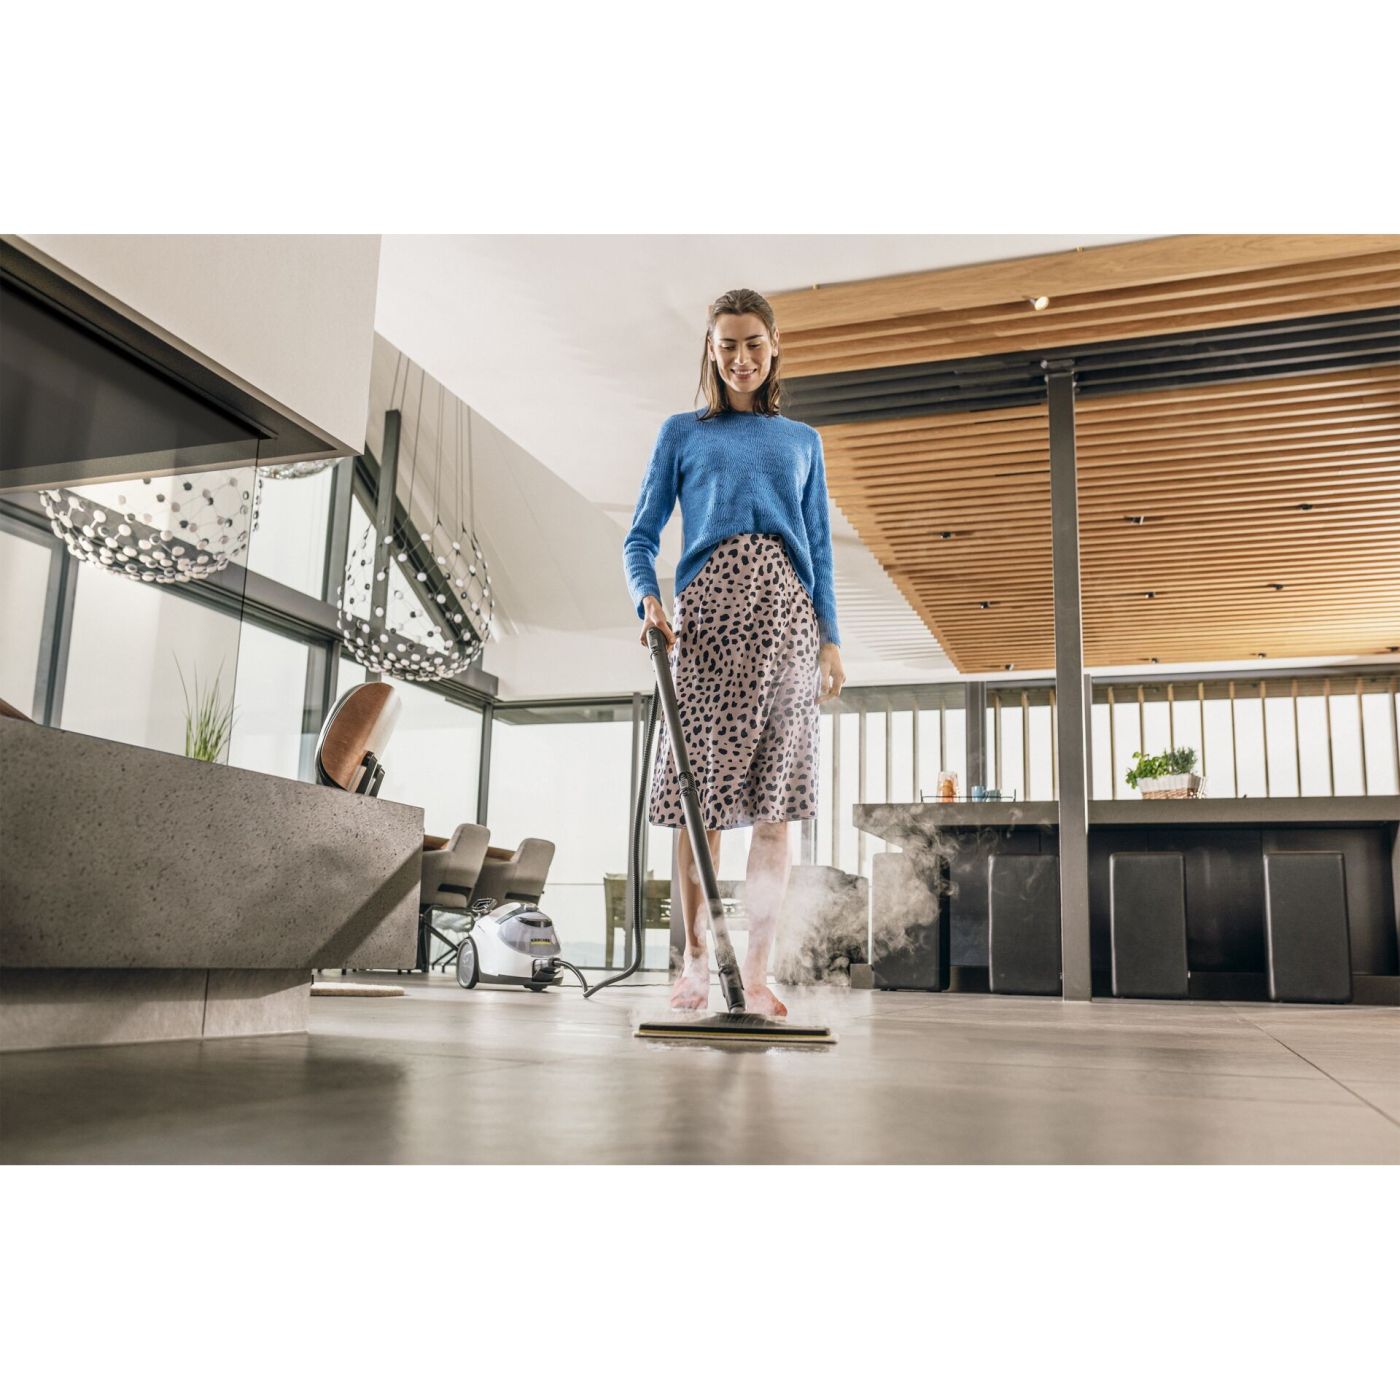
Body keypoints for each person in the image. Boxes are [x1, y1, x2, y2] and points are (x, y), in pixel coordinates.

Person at [622, 287, 846, 1017]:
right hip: (708, 628)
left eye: (753, 343)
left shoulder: (802, 441)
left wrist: (831, 641)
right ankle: (697, 961)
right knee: (702, 807)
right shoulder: (682, 433)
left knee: (776, 811)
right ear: (711, 351)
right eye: (727, 345)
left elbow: (820, 550)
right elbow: (640, 537)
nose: (741, 358)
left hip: (788, 626)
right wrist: (647, 599)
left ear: (773, 347)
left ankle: (754, 973)